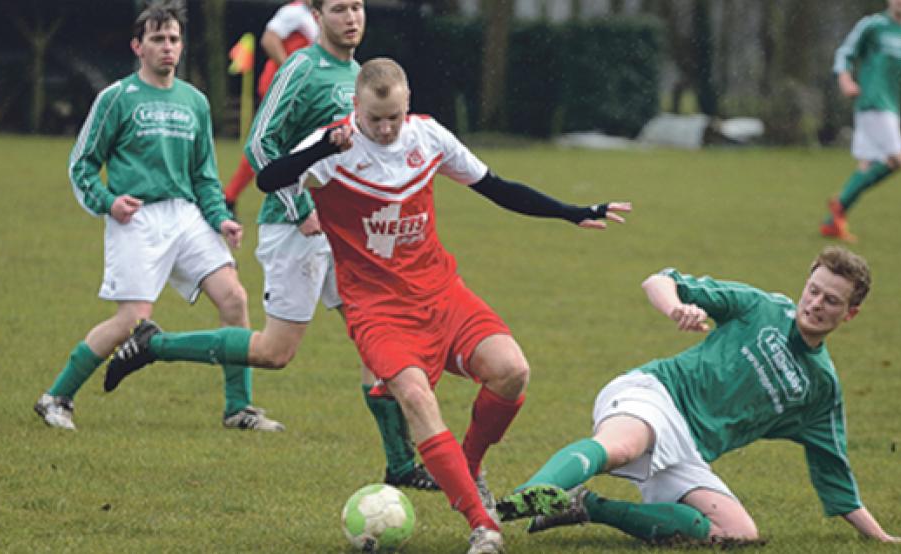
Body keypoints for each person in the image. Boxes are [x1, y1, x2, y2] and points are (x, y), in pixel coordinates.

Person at [108, 57, 631, 553]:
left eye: (394, 118)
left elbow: (496, 188)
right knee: (413, 395)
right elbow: (268, 177)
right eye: (375, 119)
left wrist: (572, 212)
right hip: (377, 308)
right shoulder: (335, 145)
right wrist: (319, 151)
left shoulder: (427, 136)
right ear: (356, 109)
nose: (385, 130)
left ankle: (469, 466)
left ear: (408, 107)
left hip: (441, 292)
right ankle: (481, 524)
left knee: (513, 371)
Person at [102, 0, 436, 492]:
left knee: (376, 340)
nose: (352, 17)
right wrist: (299, 207)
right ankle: (156, 344)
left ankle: (401, 466)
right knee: (276, 351)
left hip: (345, 236)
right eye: (340, 8)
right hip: (293, 227)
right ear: (316, 17)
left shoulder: (362, 74)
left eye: (358, 7)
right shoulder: (302, 68)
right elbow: (260, 145)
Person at [495, 246, 901, 548]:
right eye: (813, 291)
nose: (814, 305)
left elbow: (834, 469)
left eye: (831, 301)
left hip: (690, 450)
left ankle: (586, 505)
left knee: (737, 534)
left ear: (850, 314)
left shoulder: (820, 388)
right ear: (804, 284)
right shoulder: (761, 307)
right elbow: (659, 279)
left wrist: (882, 538)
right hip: (656, 394)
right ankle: (517, 501)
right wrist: (676, 307)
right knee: (624, 446)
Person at [33, 1, 282, 432]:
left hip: (186, 216)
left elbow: (204, 175)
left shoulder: (195, 102)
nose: (168, 47)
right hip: (137, 219)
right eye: (157, 39)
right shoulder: (116, 98)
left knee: (235, 299)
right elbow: (82, 164)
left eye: (174, 39)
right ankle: (56, 397)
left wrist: (220, 217)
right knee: (130, 320)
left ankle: (238, 407)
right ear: (138, 46)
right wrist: (109, 201)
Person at [821, 0, 901, 242]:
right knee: (897, 160)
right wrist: (844, 79)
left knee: (868, 164)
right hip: (873, 101)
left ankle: (833, 221)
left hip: (891, 104)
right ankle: (839, 203)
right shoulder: (873, 25)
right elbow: (845, 52)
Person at [223, 0, 319, 215]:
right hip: (281, 88)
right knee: (268, 143)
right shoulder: (294, 11)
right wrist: (290, 72)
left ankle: (231, 197)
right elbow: (269, 39)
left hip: (300, 91)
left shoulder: (317, 15)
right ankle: (229, 197)